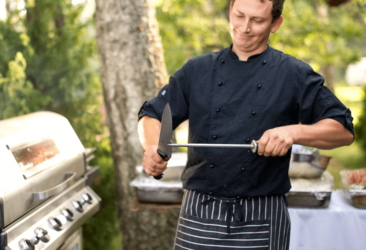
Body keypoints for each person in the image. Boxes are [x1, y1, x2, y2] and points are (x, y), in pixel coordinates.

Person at [137, 0, 354, 249]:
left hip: (263, 215)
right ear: (230, 11)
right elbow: (152, 114)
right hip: (199, 212)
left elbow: (343, 129)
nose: (245, 27)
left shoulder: (293, 73)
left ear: (276, 23)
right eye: (239, 15)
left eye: (257, 20)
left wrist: (294, 132)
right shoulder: (197, 70)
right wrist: (153, 147)